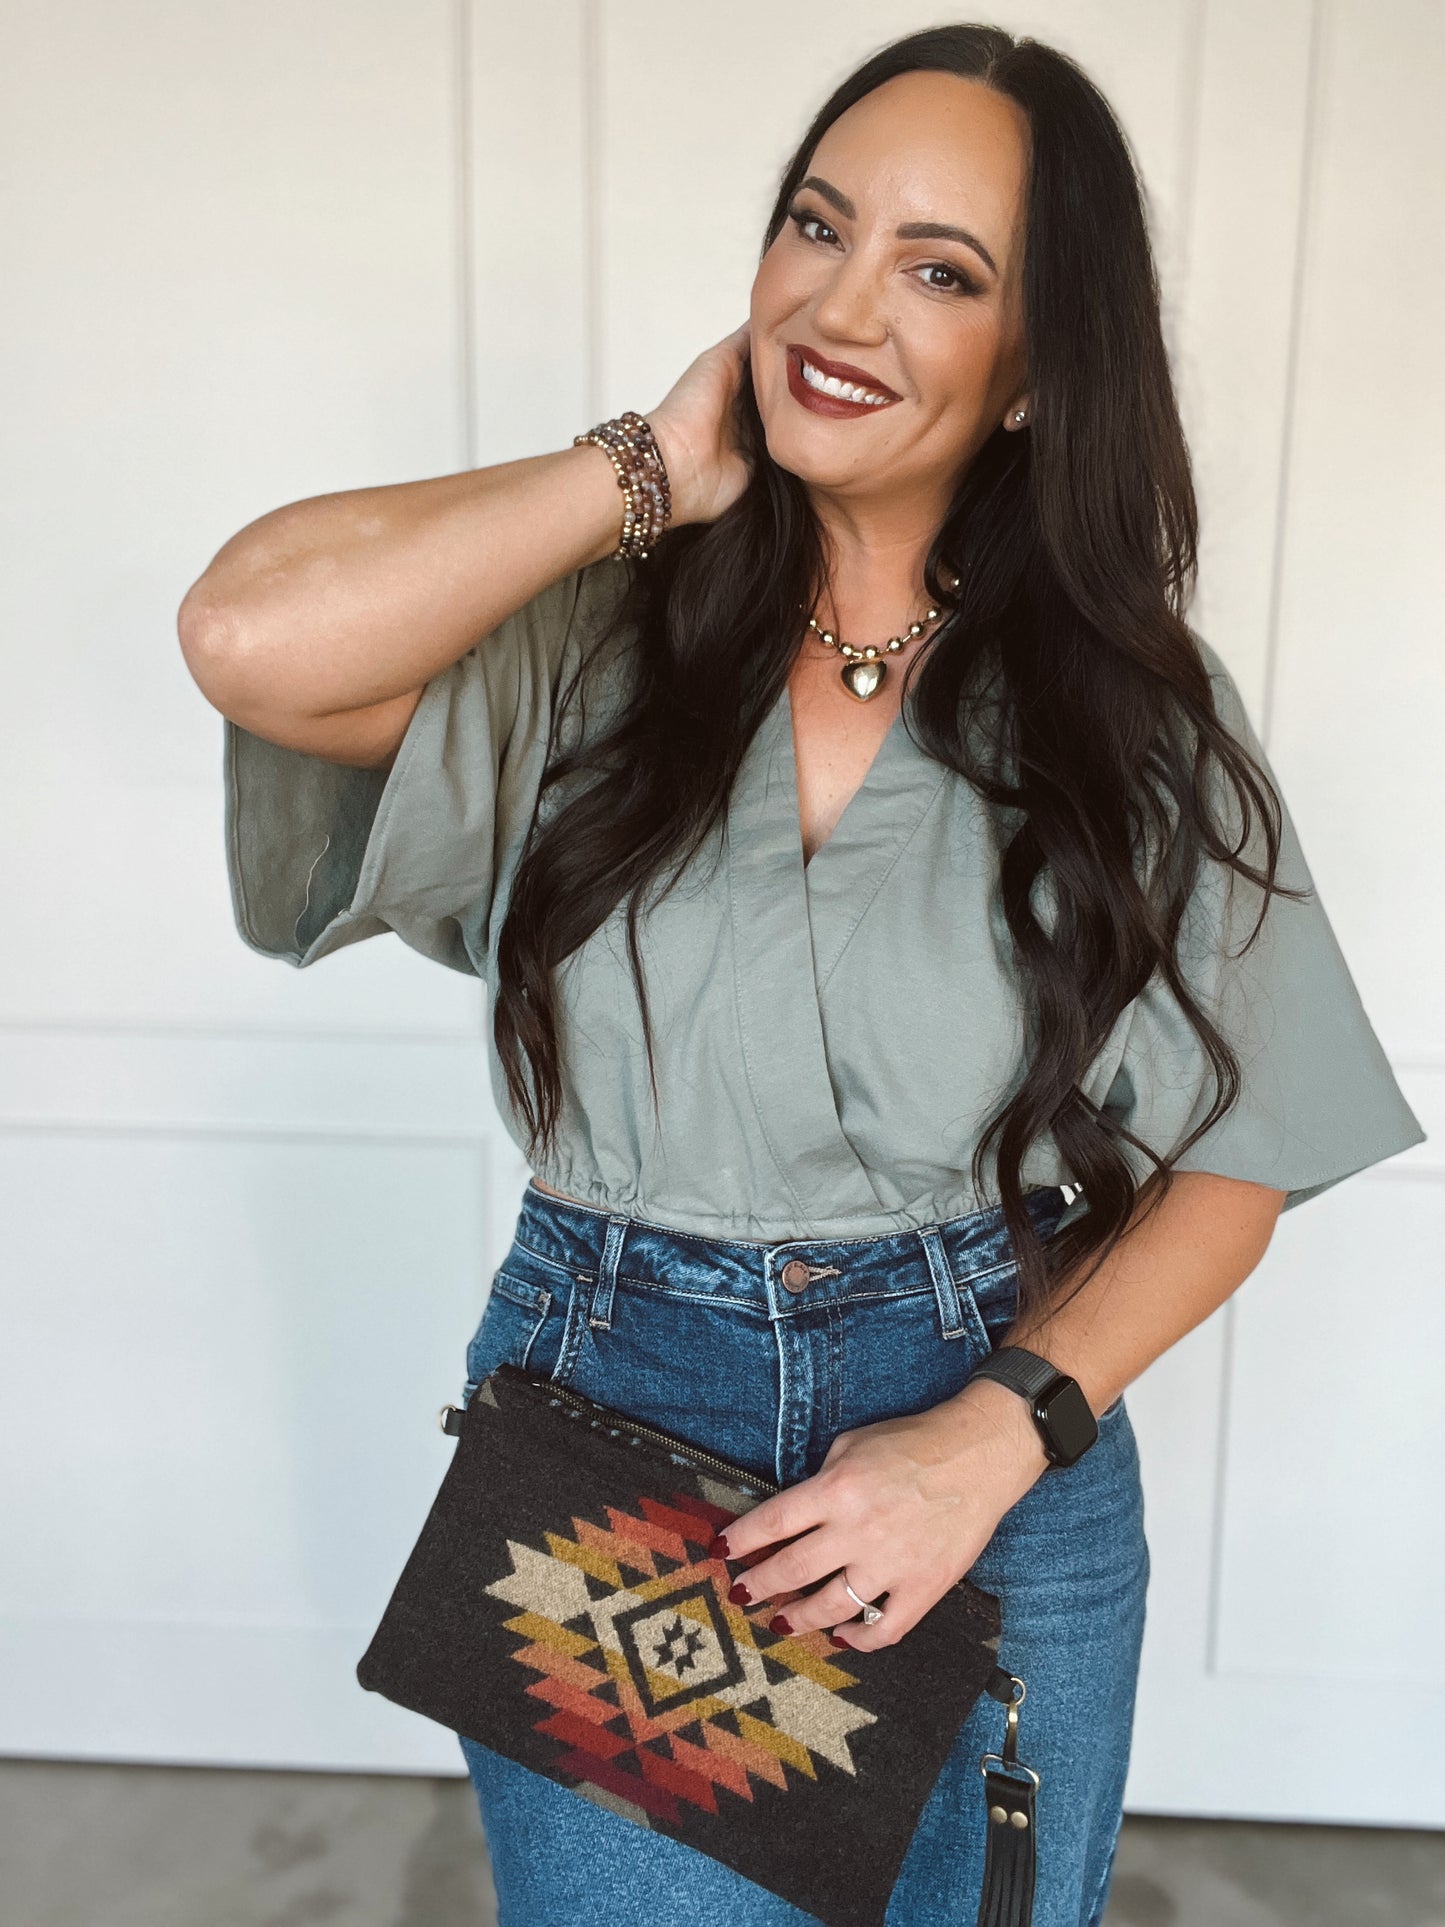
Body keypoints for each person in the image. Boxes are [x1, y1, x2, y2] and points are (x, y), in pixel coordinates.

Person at [178, 23, 1423, 1927]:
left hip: (993, 1438)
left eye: (942, 271)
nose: (841, 305)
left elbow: (1241, 1156)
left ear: (1032, 373)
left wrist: (979, 1443)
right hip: (616, 1416)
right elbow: (250, 634)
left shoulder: (1125, 712)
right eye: (813, 227)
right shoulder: (580, 636)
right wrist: (643, 464)